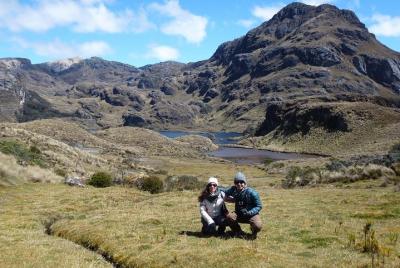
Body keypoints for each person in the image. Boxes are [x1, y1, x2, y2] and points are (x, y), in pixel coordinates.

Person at [223, 172, 262, 239]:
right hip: (239, 213)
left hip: (251, 214)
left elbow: (259, 206)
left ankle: (254, 232)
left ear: (245, 183)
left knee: (258, 225)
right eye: (237, 182)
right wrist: (215, 189)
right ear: (235, 183)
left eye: (241, 182)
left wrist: (250, 212)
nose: (239, 184)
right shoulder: (233, 189)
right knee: (229, 217)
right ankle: (238, 232)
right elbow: (224, 191)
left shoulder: (252, 193)